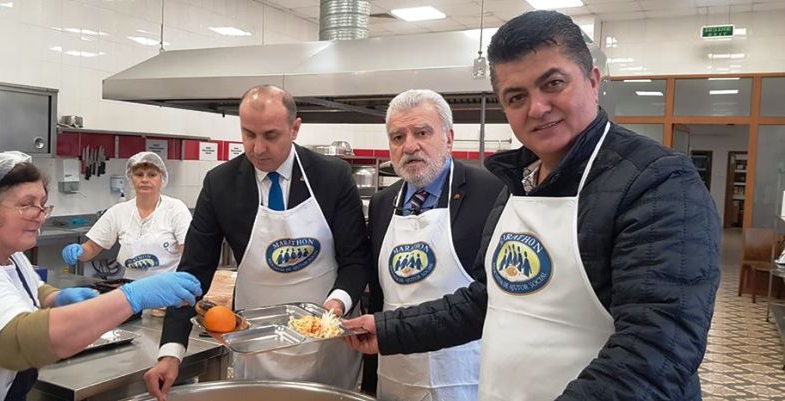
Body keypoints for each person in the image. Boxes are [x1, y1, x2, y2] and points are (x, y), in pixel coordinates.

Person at [345, 10, 721, 401]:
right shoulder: (520, 183)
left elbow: (655, 353)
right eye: (516, 97)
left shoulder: (657, 182)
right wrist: (388, 329)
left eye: (553, 83)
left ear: (593, 81)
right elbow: (487, 301)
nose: (537, 108)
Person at [144, 85, 369, 400]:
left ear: (295, 129)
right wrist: (171, 352)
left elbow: (356, 260)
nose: (258, 148)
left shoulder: (332, 176)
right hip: (255, 345)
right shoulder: (221, 184)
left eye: (271, 136)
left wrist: (336, 306)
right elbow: (193, 272)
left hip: (326, 344)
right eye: (248, 134)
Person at [0, 151, 203, 401]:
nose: (40, 215)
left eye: (42, 204)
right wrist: (131, 297)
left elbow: (28, 288)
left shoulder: (11, 256)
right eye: (26, 204)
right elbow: (17, 343)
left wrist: (54, 297)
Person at [362, 89, 503, 400]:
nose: (409, 146)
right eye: (397, 137)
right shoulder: (383, 203)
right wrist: (369, 384)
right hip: (395, 374)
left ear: (449, 138)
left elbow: (495, 299)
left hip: (463, 377)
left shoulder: (491, 193)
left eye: (422, 133)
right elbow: (378, 298)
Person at [61, 151, 192, 280]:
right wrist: (80, 251)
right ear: (131, 179)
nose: (145, 180)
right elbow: (92, 247)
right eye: (139, 175)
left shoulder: (175, 209)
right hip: (130, 287)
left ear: (161, 179)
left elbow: (189, 252)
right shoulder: (118, 211)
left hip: (168, 286)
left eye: (152, 175)